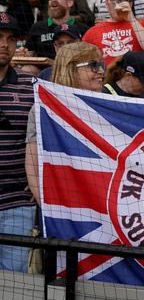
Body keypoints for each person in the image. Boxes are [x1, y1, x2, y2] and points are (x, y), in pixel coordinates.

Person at [25, 42, 105, 204]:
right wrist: (46, 205)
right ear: (70, 69)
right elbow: (33, 164)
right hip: (62, 201)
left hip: (102, 199)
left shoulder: (110, 106)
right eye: (93, 66)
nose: (101, 71)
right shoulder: (43, 109)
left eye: (101, 65)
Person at [0, 12, 35, 273]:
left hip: (17, 202)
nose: (5, 44)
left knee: (15, 284)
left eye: (11, 39)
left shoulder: (32, 86)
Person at [83, 0, 144, 65]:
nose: (118, 3)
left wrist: (132, 19)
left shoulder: (143, 24)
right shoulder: (92, 32)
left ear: (130, 4)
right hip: (108, 76)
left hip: (137, 75)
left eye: (123, 0)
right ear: (106, 4)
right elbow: (84, 61)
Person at [24, 0, 89, 59]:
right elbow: (29, 54)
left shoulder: (83, 29)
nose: (53, 0)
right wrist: (23, 53)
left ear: (70, 2)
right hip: (43, 69)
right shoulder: (37, 27)